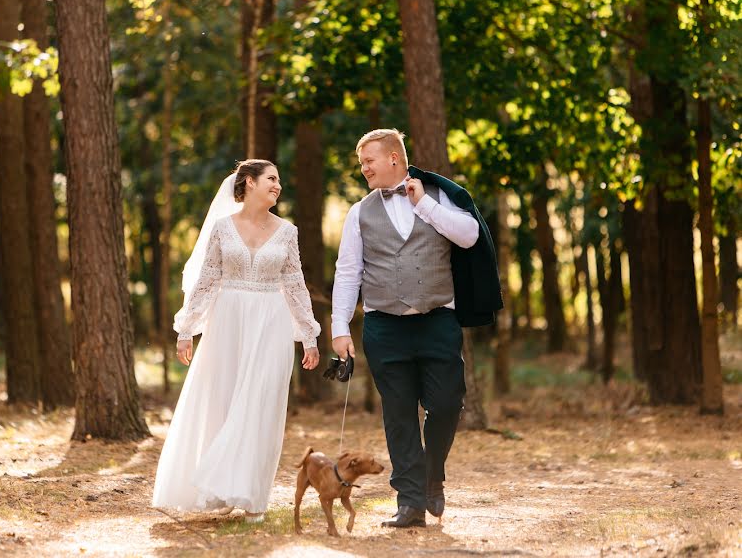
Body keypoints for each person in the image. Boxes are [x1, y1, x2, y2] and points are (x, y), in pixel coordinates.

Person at [331, 129, 501, 528]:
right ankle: (409, 502)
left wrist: (423, 203)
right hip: (383, 326)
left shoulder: (440, 197)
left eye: (368, 161)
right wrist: (340, 327)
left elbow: (470, 235)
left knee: (446, 404)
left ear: (394, 158)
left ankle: (431, 475)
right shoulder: (359, 212)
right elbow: (348, 272)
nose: (364, 169)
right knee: (399, 413)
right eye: (361, 164)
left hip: (438, 320)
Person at [152, 159, 321, 523]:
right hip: (227, 322)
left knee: (261, 403)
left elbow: (294, 283)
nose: (278, 185)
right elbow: (209, 278)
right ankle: (218, 489)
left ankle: (253, 496)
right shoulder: (222, 229)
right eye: (272, 179)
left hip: (271, 323)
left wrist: (308, 335)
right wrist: (186, 328)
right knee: (225, 401)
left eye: (279, 179)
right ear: (249, 182)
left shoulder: (287, 231)